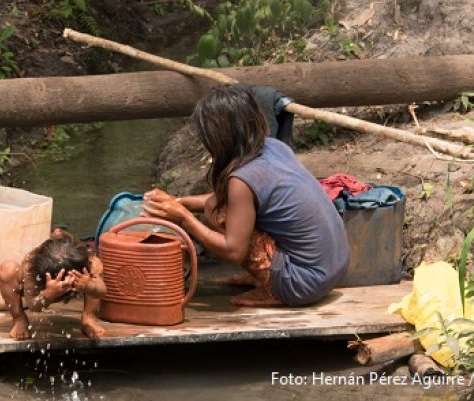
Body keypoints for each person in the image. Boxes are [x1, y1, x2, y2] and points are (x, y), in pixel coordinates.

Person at [143, 85, 349, 307]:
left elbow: (234, 251)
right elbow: (236, 199)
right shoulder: (274, 147)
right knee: (217, 206)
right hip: (334, 270)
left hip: (304, 285)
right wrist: (180, 202)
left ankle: (276, 288)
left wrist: (185, 218)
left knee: (217, 214)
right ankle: (269, 274)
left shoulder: (241, 180)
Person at [0, 232, 106, 340]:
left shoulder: (87, 263)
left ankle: (89, 317)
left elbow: (102, 292)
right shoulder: (30, 268)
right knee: (7, 270)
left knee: (96, 264)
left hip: (81, 280)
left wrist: (90, 286)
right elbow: (33, 306)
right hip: (41, 292)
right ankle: (18, 318)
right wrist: (49, 293)